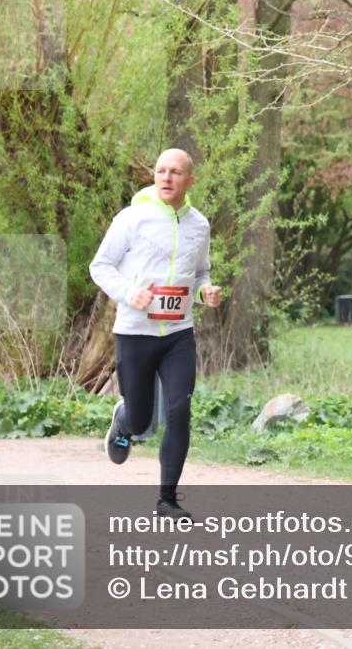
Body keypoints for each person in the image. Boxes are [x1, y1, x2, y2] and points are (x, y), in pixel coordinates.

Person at [90, 148, 222, 520]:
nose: (167, 178)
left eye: (176, 172)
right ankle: (125, 420)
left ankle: (167, 500)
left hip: (178, 333)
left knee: (180, 410)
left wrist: (205, 292)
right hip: (135, 331)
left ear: (189, 181)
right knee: (143, 420)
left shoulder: (200, 225)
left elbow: (200, 274)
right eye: (161, 171)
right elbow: (100, 266)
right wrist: (130, 294)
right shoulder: (132, 219)